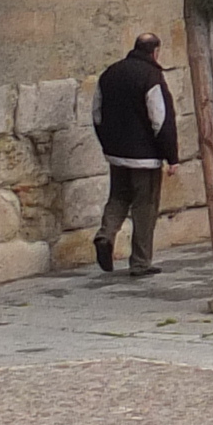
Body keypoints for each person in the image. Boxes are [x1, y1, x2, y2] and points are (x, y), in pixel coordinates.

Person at [91, 32, 178, 276]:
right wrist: (171, 157)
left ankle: (105, 235)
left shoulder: (110, 73)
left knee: (118, 197)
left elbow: (97, 113)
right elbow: (160, 119)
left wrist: (107, 144)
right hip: (145, 157)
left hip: (116, 154)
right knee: (145, 207)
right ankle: (141, 262)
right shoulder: (152, 76)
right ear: (155, 51)